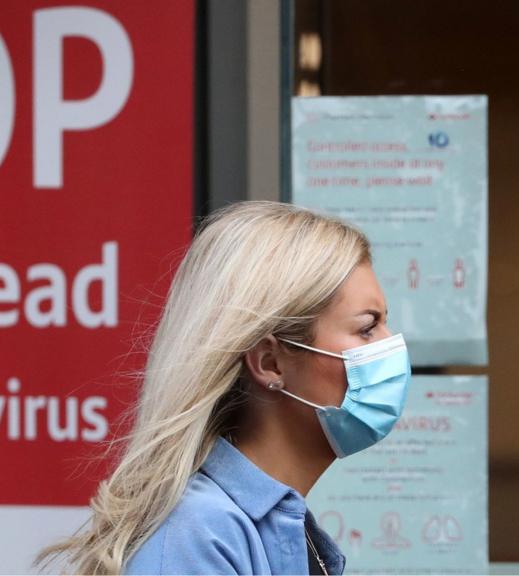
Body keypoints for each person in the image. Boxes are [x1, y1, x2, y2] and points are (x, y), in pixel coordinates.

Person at [34, 201, 410, 574]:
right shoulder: (197, 538)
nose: (390, 345)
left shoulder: (273, 530)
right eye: (367, 327)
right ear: (270, 363)